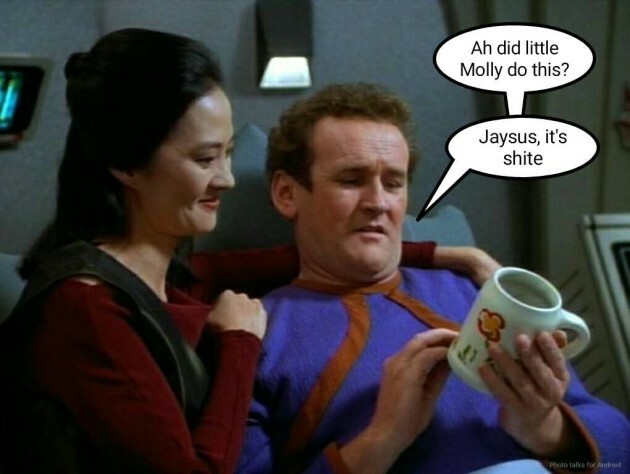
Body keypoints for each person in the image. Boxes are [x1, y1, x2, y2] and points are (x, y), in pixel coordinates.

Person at [0, 29, 498, 473]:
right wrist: (240, 345)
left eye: (229, 154)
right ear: (126, 164)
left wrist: (445, 254)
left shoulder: (168, 271)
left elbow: (311, 252)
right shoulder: (85, 307)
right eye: (205, 159)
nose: (228, 179)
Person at [236, 83, 630, 474]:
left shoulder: (476, 291)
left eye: (394, 183)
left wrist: (550, 432)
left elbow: (619, 450)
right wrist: (381, 440)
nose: (379, 203)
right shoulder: (256, 337)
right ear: (286, 194)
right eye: (352, 180)